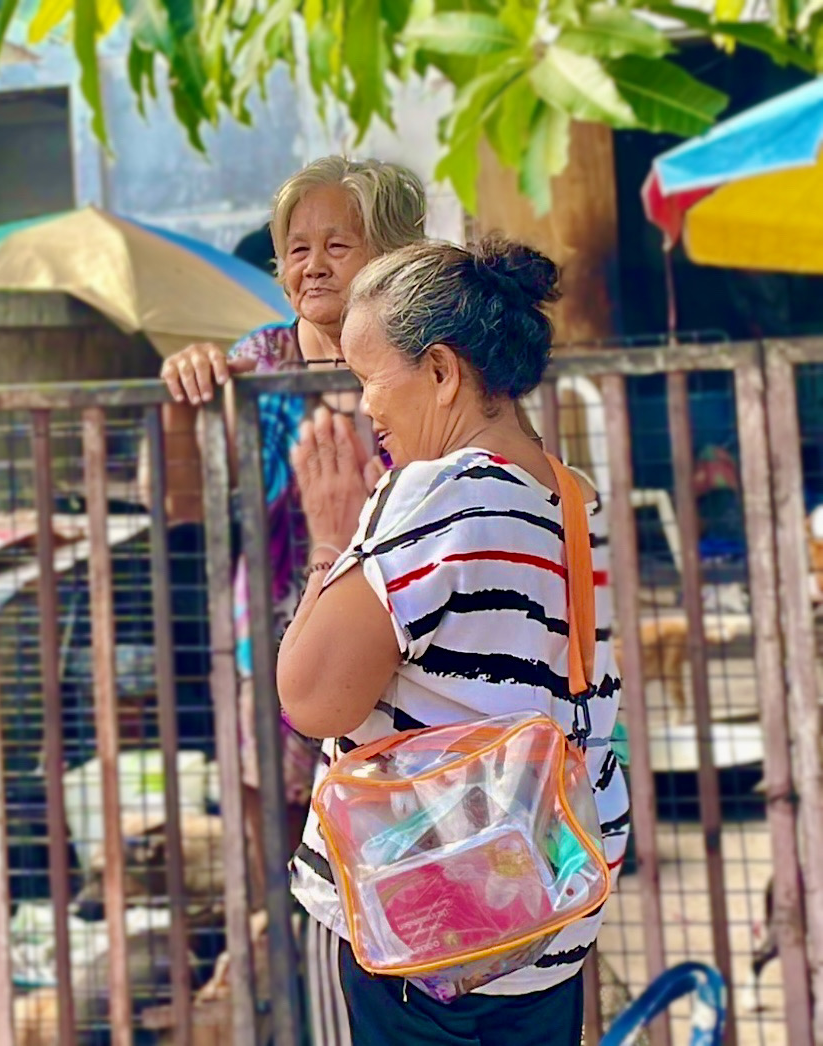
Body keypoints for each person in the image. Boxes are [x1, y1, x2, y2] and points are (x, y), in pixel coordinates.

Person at [277, 238, 630, 1045]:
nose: (366, 409)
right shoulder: (575, 502)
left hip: (418, 931)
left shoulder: (434, 492)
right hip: (541, 930)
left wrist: (331, 537)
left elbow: (312, 698)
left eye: (369, 377)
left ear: (440, 371)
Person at [152, 157, 425, 1031]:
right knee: (272, 843)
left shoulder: (424, 364)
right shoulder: (255, 362)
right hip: (271, 641)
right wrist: (186, 395)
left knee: (389, 837)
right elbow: (183, 504)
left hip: (398, 638)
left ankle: (381, 1005)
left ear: (392, 252)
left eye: (338, 245)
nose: (312, 265)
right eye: (296, 247)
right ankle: (296, 1011)